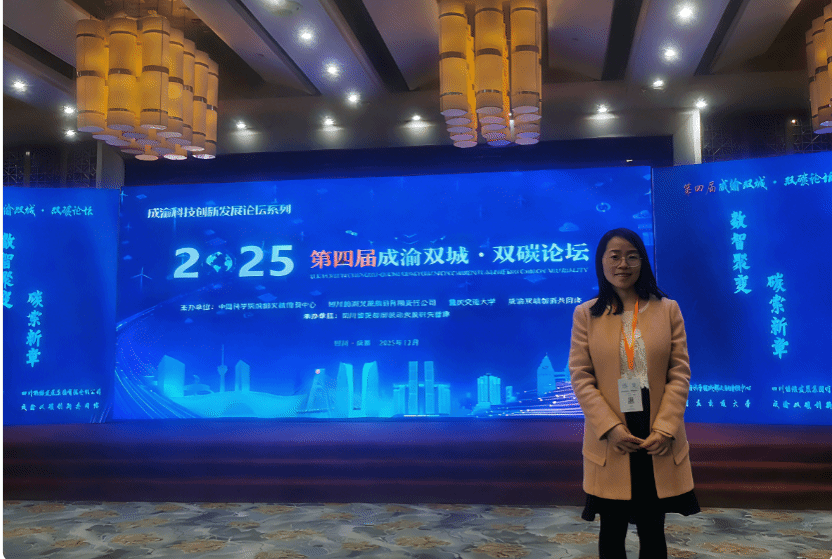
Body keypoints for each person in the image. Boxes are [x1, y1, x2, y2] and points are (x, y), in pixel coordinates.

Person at [568, 228, 699, 559]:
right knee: (611, 530)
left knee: (653, 529)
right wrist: (610, 428)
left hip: (655, 428)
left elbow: (679, 373)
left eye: (631, 256)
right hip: (612, 432)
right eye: (614, 256)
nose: (622, 264)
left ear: (642, 262)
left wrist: (666, 428)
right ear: (601, 262)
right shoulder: (586, 314)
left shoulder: (667, 309)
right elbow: (581, 377)